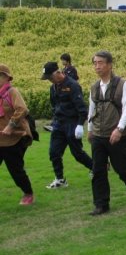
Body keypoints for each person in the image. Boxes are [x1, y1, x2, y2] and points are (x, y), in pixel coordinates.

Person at [87, 50, 126, 216]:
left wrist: (119, 129)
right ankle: (101, 204)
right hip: (98, 134)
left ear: (110, 65)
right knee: (98, 170)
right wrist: (90, 130)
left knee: (122, 168)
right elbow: (91, 108)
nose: (97, 66)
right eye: (95, 63)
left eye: (100, 63)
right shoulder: (94, 87)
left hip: (117, 134)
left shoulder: (122, 84)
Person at [41, 61, 93, 189]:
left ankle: (96, 167)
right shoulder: (53, 88)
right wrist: (54, 122)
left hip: (72, 123)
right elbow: (55, 106)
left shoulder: (72, 85)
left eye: (50, 77)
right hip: (59, 124)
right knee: (54, 153)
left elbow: (82, 108)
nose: (49, 80)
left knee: (77, 154)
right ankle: (60, 179)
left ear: (58, 73)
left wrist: (80, 125)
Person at [0, 64, 35, 205]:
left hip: (14, 138)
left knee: (16, 170)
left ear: (6, 78)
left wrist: (10, 126)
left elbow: (22, 109)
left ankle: (28, 193)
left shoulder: (12, 92)